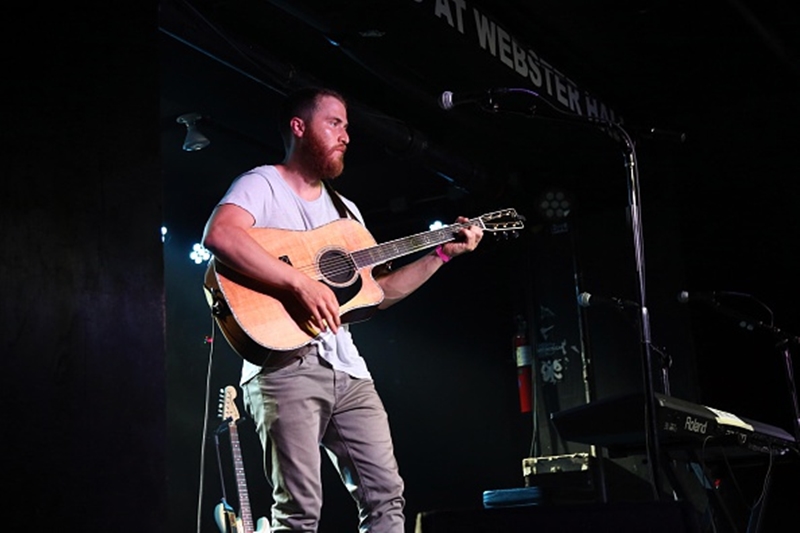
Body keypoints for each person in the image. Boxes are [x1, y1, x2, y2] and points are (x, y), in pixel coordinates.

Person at [202, 86, 483, 532]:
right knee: (299, 513)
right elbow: (220, 235)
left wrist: (440, 255)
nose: (346, 135)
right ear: (299, 127)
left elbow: (378, 293)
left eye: (347, 126)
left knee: (387, 498)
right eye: (334, 123)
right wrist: (297, 282)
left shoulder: (346, 212)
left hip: (348, 368)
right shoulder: (263, 183)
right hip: (284, 363)